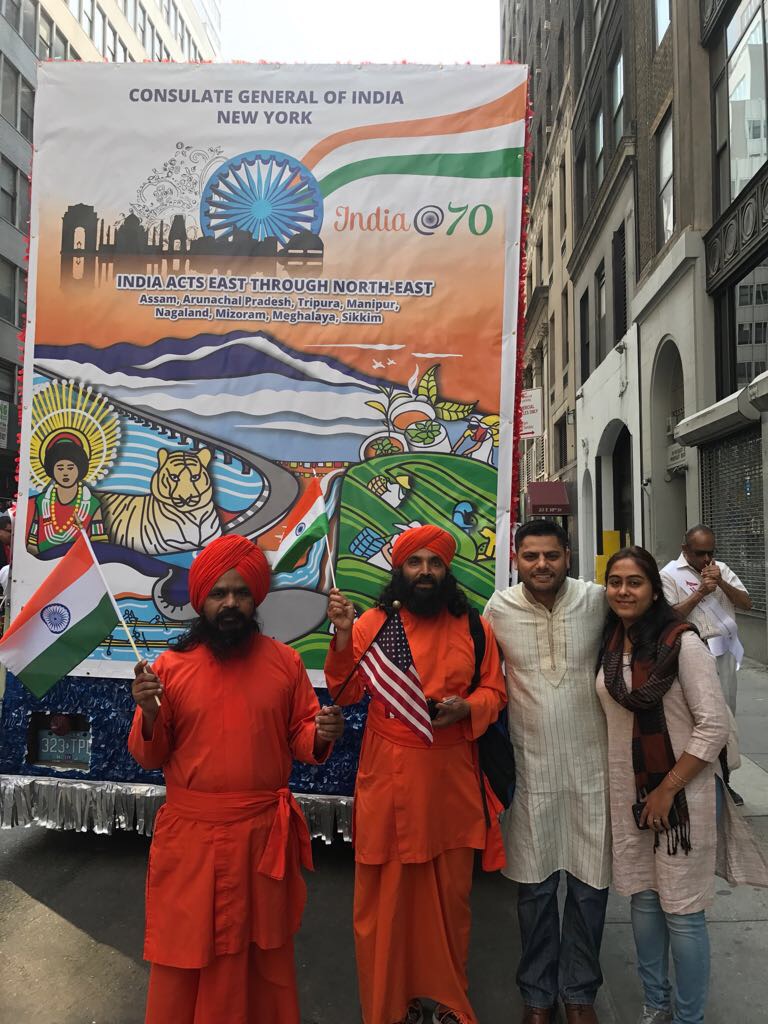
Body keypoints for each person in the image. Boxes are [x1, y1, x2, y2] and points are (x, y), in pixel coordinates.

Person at [128, 534, 344, 1024]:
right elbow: (149, 756)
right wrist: (148, 713)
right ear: (200, 600)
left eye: (241, 593)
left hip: (260, 840)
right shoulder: (168, 669)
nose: (230, 603)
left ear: (256, 598)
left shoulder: (285, 662)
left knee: (261, 952)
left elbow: (300, 736)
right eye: (219, 593)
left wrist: (321, 733)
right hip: (191, 843)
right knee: (185, 954)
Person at [325, 523, 507, 1024]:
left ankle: (449, 1002)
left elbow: (495, 692)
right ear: (400, 569)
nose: (425, 572)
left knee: (451, 901)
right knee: (385, 902)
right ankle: (391, 1005)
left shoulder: (475, 626)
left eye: (434, 563)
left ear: (447, 570)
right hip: (388, 774)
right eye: (415, 562)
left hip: (451, 780)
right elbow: (345, 690)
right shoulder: (372, 624)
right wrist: (341, 635)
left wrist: (467, 707)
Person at [597, 546, 768, 1024]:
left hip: (683, 798)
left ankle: (689, 1018)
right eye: (615, 582)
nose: (624, 591)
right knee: (644, 900)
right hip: (630, 793)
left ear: (655, 590)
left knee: (683, 913)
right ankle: (656, 1005)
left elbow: (713, 727)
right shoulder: (610, 643)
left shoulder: (682, 642)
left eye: (635, 582)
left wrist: (667, 788)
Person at [483, 519, 610, 1024]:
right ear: (516, 559)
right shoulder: (499, 609)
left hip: (593, 770)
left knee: (589, 890)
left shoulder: (597, 601)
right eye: (531, 556)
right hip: (531, 770)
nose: (542, 565)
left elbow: (649, 628)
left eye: (551, 555)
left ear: (567, 556)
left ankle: (579, 994)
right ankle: (537, 996)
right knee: (534, 893)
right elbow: (475, 672)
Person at [660, 526, 751, 804]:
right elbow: (668, 617)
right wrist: (700, 592)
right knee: (702, 720)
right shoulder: (669, 575)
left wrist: (721, 583)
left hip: (724, 652)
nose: (707, 559)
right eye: (700, 553)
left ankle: (726, 781)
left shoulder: (722, 569)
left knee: (727, 719)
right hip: (692, 655)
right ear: (685, 549)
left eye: (711, 552)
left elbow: (746, 602)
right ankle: (699, 780)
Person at [27, 434, 106, 553]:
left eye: (70, 468)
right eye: (60, 468)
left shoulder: (92, 504)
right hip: (43, 562)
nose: (65, 473)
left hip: (79, 563)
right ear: (52, 470)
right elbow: (32, 543)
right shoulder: (41, 501)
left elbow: (100, 545)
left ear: (80, 469)